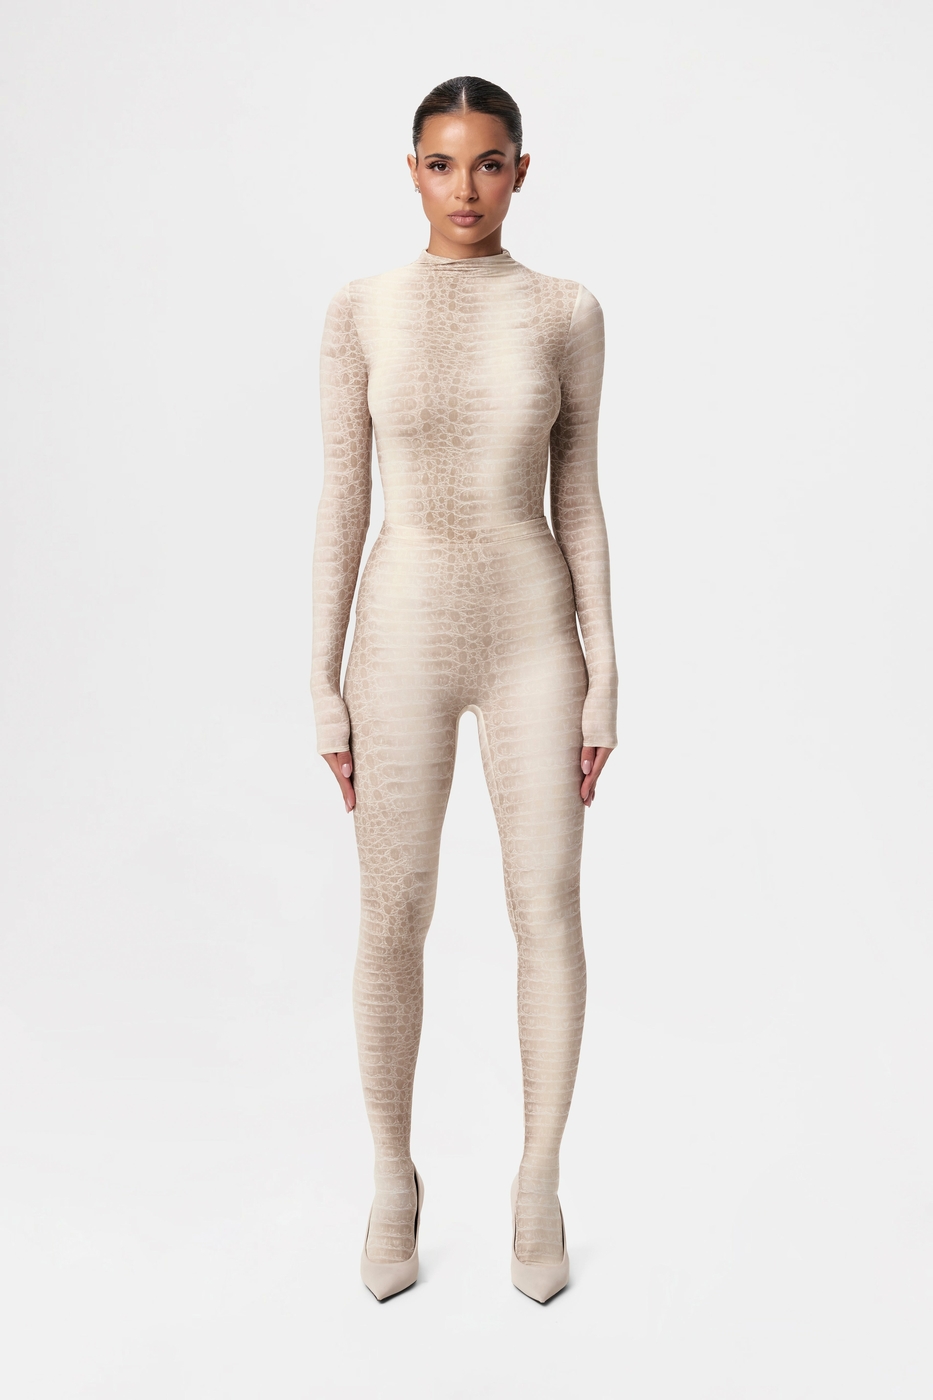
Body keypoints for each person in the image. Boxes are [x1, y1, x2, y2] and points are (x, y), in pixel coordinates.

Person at [311, 75, 617, 1303]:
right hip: (399, 633)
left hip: (534, 631)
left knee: (547, 903)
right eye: (443, 164)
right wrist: (320, 682)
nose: (466, 189)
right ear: (413, 171)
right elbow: (342, 500)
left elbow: (580, 498)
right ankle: (393, 1174)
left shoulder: (565, 309)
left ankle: (539, 1177)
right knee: (393, 910)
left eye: (490, 164)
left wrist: (606, 676)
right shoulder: (362, 309)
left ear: (521, 171)